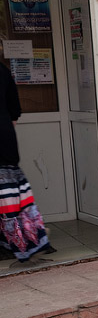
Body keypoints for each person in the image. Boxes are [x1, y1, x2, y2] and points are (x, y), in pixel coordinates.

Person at [0, 61, 55, 264]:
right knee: (11, 196)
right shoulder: (2, 71)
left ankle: (22, 242)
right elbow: (14, 111)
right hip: (4, 141)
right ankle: (30, 240)